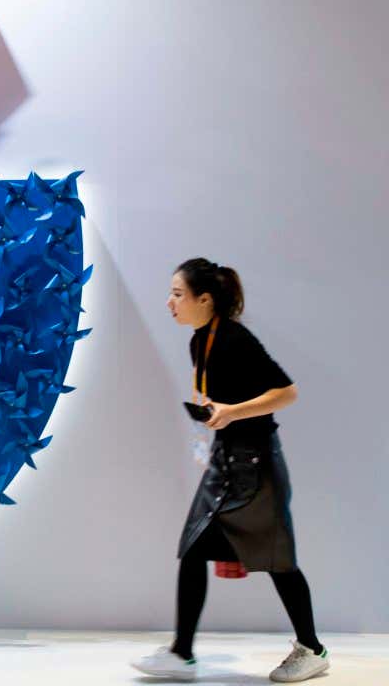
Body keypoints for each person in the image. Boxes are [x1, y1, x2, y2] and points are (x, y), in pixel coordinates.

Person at [131, 258, 329, 683]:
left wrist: (233, 412)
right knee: (194, 547)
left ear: (206, 300)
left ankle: (312, 649)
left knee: (279, 561)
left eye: (178, 294)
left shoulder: (235, 339)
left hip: (256, 466)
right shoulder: (199, 342)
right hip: (227, 460)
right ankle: (182, 653)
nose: (169, 302)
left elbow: (287, 392)